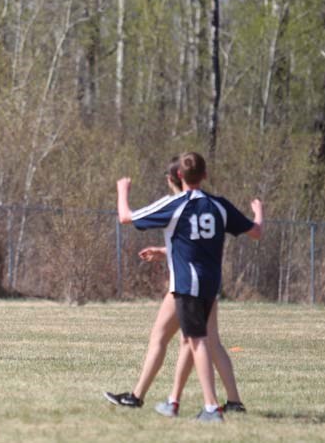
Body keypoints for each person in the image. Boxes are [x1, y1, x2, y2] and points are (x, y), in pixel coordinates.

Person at [111, 152, 262, 422]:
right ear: (205, 175)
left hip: (187, 285)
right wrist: (258, 212)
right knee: (197, 341)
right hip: (210, 285)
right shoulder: (219, 205)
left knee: (197, 342)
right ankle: (175, 401)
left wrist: (122, 190)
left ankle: (211, 407)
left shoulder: (177, 204)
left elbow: (125, 217)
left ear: (179, 177)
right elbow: (255, 231)